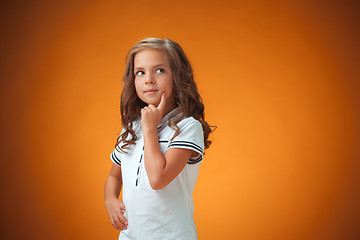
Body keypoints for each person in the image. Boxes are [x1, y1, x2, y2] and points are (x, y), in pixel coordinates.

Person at [104, 37, 214, 240]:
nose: (149, 79)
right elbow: (114, 176)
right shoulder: (132, 127)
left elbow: (157, 179)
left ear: (177, 76)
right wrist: (110, 199)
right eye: (140, 72)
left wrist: (150, 129)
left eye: (160, 70)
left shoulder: (188, 127)